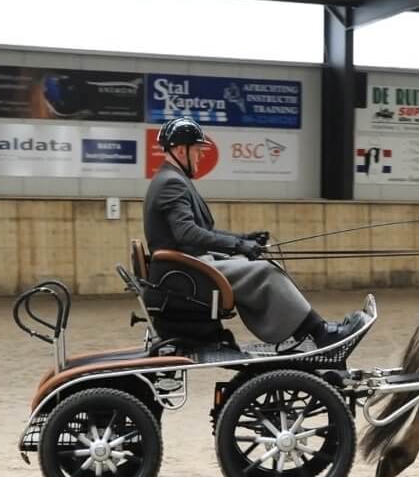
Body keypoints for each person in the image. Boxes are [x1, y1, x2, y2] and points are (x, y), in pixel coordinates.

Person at [143, 117, 361, 350]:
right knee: (265, 271)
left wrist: (245, 239)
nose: (201, 155)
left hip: (187, 268)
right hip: (187, 275)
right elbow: (187, 233)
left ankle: (304, 330)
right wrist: (238, 245)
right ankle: (320, 332)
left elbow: (202, 232)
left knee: (250, 262)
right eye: (197, 150)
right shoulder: (171, 183)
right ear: (179, 150)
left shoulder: (171, 179)